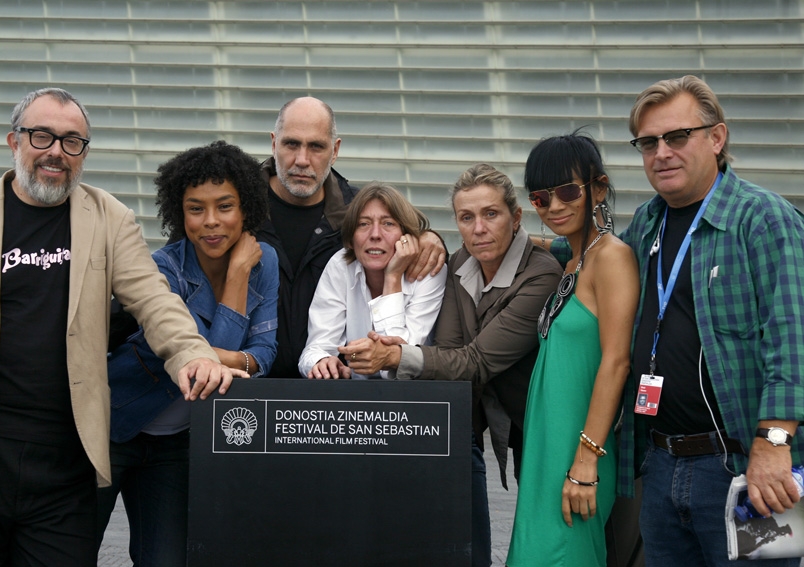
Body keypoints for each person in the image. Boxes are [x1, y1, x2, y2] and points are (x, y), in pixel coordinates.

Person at [0, 88, 241, 566]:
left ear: (83, 154)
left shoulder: (110, 220)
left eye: (72, 141)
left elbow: (155, 301)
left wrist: (192, 353)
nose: (56, 151)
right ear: (14, 141)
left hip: (64, 471)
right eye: (42, 136)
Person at [618, 75, 804, 566]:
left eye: (677, 136)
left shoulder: (762, 219)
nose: (661, 153)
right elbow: (586, 258)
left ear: (717, 138)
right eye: (648, 143)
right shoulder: (647, 224)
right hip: (660, 466)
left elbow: (793, 341)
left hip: (744, 469)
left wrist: (774, 444)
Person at [339, 164, 562, 567]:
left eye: (491, 214)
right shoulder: (457, 265)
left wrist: (394, 356)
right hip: (482, 424)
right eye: (466, 217)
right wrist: (430, 239)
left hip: (548, 427)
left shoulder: (541, 275)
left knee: (549, 548)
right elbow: (447, 350)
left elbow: (474, 361)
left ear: (515, 218)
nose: (479, 228)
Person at [96, 141, 278, 564]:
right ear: (180, 214)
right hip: (114, 427)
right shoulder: (163, 268)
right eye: (196, 209)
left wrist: (231, 357)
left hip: (177, 444)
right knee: (71, 552)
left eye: (225, 206)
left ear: (246, 209)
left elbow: (265, 353)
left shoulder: (264, 260)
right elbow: (199, 363)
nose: (210, 221)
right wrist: (237, 277)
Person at [506, 132, 639, 566]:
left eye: (567, 191)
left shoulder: (612, 258)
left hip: (579, 453)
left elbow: (616, 362)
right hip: (546, 448)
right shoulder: (574, 260)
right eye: (541, 198)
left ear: (598, 188)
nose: (554, 206)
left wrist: (585, 460)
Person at [256, 96, 447, 377]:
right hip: (246, 383)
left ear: (335, 151)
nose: (302, 160)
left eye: (316, 146)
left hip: (330, 391)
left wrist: (429, 238)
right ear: (274, 144)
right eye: (292, 144)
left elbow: (400, 361)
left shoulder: (355, 211)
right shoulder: (238, 210)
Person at [299, 182, 446, 379]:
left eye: (388, 223)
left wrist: (393, 277)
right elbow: (316, 348)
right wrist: (323, 362)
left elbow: (401, 364)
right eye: (364, 224)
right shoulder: (340, 265)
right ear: (351, 238)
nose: (375, 234)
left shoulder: (428, 271)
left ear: (406, 236)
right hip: (358, 394)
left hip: (416, 394)